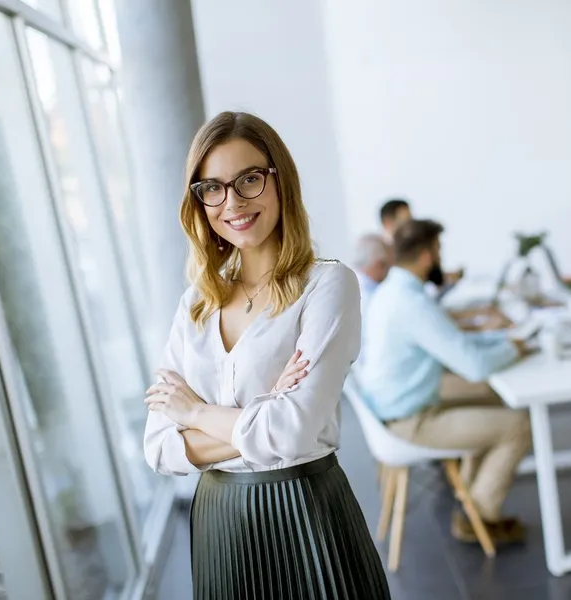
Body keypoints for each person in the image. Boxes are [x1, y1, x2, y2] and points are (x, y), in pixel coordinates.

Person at [143, 111, 390, 599]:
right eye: (212, 188)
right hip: (220, 523)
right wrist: (264, 416)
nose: (232, 202)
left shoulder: (327, 285)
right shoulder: (196, 301)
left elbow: (293, 431)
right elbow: (159, 448)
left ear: (280, 180)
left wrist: (194, 412)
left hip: (305, 511)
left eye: (249, 180)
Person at [361, 218, 531, 545]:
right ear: (427, 256)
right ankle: (480, 516)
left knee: (494, 399)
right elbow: (473, 366)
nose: (440, 259)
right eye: (439, 251)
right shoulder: (411, 303)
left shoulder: (393, 292)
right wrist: (513, 347)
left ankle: (470, 498)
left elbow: (454, 344)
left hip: (399, 406)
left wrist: (506, 343)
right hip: (411, 421)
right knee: (516, 425)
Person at [352, 233, 392, 314]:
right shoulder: (368, 296)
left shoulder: (350, 282)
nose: (390, 271)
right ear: (379, 264)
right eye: (389, 265)